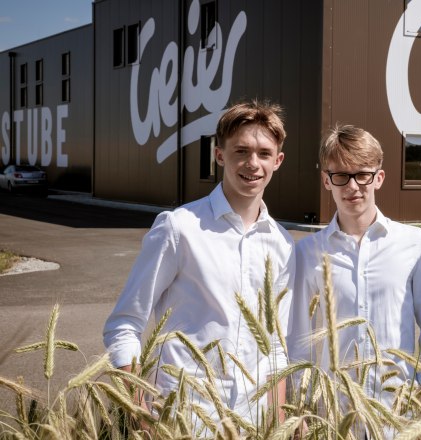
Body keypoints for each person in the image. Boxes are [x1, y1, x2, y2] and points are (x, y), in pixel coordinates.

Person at [103, 100, 294, 430]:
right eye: (241, 151)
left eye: (264, 153)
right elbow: (123, 325)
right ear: (219, 155)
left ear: (278, 161)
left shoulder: (282, 244)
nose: (253, 163)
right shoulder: (179, 228)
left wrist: (277, 423)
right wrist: (142, 413)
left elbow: (276, 346)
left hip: (251, 425)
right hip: (183, 419)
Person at [288, 124, 421, 438]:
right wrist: (301, 414)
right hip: (333, 416)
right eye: (340, 176)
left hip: (396, 415)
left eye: (362, 174)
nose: (352, 187)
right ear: (326, 180)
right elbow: (300, 342)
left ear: (379, 178)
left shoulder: (414, 244)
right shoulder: (308, 252)